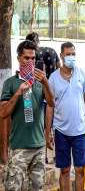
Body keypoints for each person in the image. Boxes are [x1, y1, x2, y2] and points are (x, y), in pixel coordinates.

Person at [0, 40, 55, 190]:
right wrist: (18, 93)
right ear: (19, 58)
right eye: (26, 58)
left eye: (33, 58)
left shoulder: (40, 82)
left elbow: (51, 103)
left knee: (37, 187)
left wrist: (45, 83)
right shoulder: (10, 83)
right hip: (19, 148)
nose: (30, 62)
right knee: (13, 188)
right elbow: (3, 113)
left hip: (38, 147)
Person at [45, 42, 85, 191]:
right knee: (64, 170)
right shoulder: (53, 78)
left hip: (80, 131)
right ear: (61, 56)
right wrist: (48, 132)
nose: (71, 57)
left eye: (73, 54)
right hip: (61, 132)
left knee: (79, 170)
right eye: (68, 54)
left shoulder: (82, 74)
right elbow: (49, 106)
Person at [26, 32, 61, 164]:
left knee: (41, 125)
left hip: (39, 93)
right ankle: (58, 154)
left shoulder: (32, 56)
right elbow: (59, 69)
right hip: (52, 93)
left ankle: (44, 156)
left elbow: (31, 75)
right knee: (55, 124)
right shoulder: (51, 51)